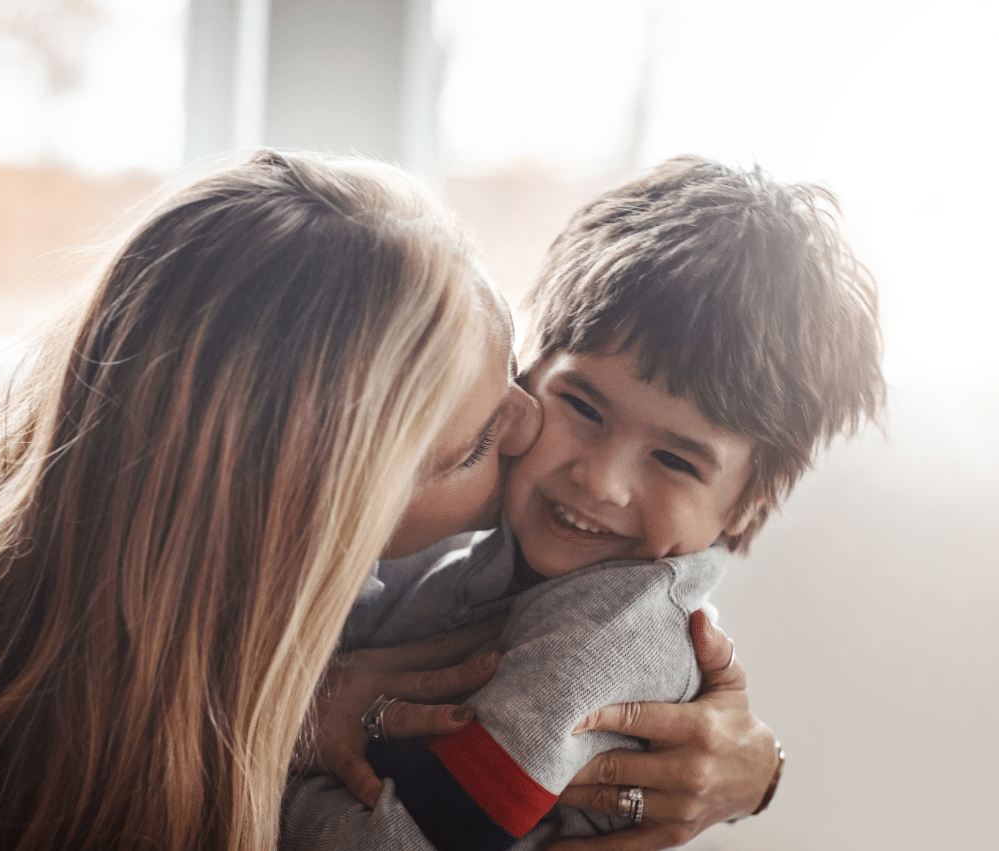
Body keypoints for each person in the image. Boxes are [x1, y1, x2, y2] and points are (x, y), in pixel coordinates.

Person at [0, 149, 503, 851]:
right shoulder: (9, 740)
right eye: (472, 446)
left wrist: (292, 713)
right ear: (313, 521)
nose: (536, 421)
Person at [282, 156, 884, 851]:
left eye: (675, 459)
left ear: (750, 501)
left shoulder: (604, 640)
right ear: (530, 368)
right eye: (583, 406)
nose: (601, 480)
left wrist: (253, 762)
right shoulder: (469, 547)